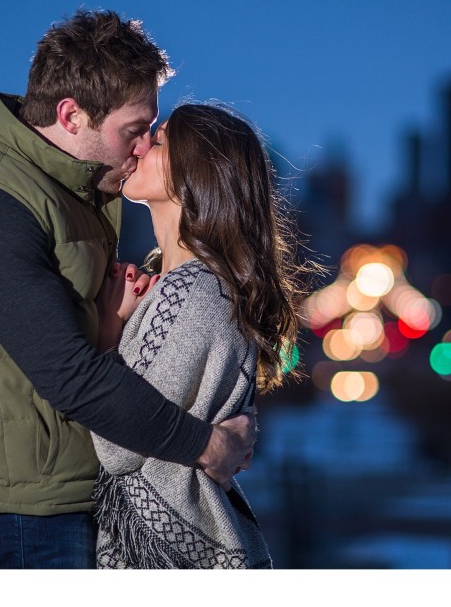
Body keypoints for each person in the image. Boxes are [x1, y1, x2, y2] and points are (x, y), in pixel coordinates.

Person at [0, 10, 256, 569]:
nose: (143, 147)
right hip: (22, 515)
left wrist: (115, 326)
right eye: (133, 129)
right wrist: (209, 445)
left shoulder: (77, 185)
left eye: (152, 130)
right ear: (72, 115)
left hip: (75, 499)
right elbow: (68, 372)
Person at [90, 103, 309, 569]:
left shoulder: (191, 292)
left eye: (162, 140)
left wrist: (109, 334)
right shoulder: (196, 286)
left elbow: (115, 449)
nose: (142, 144)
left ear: (197, 176)